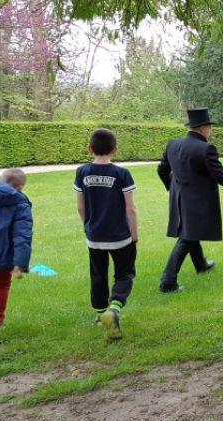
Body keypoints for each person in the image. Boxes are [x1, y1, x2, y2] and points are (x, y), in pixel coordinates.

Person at [157, 108, 223, 293]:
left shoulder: (172, 144)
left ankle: (201, 264)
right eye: (209, 127)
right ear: (203, 128)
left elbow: (162, 170)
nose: (210, 130)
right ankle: (167, 281)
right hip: (197, 200)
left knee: (191, 231)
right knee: (187, 237)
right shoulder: (206, 149)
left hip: (179, 197)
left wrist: (172, 188)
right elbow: (221, 175)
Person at [73, 129, 139, 340]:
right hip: (120, 237)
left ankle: (101, 313)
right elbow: (131, 208)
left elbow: (80, 207)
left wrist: (88, 226)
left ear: (89, 149)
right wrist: (134, 233)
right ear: (115, 150)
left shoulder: (82, 172)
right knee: (124, 273)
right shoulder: (122, 174)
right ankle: (114, 309)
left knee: (98, 274)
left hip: (94, 236)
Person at [0, 169, 32, 331]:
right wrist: (20, 264)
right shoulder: (20, 203)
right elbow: (22, 236)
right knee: (2, 286)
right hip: (3, 257)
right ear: (21, 186)